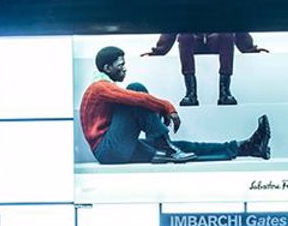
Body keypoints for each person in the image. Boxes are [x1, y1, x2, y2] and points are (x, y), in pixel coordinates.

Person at [79, 46, 271, 165]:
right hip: (108, 149)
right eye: (120, 65)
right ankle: (165, 143)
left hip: (116, 148)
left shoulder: (104, 87)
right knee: (136, 90)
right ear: (107, 69)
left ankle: (246, 148)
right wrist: (166, 106)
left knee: (184, 149)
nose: (124, 68)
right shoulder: (99, 88)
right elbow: (138, 99)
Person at [142, 31, 268, 106]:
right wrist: (159, 51)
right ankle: (191, 94)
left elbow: (235, 21)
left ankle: (225, 92)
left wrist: (248, 48)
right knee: (184, 35)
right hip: (193, 41)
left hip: (215, 41)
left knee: (227, 33)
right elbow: (174, 23)